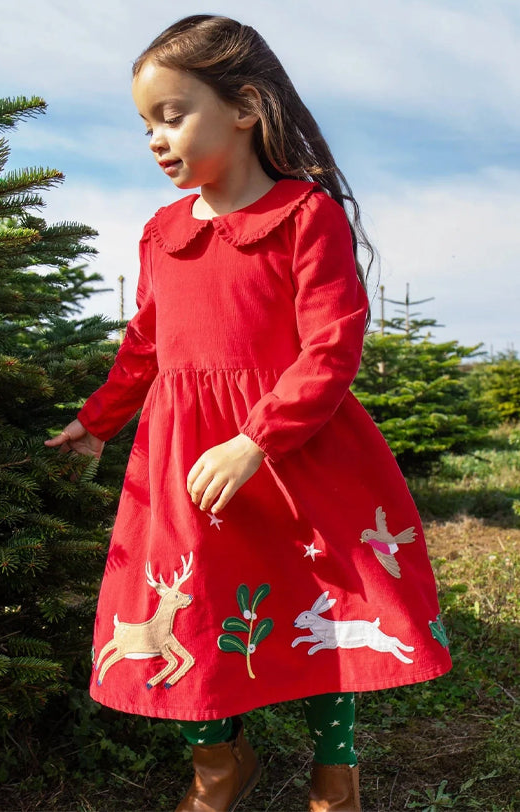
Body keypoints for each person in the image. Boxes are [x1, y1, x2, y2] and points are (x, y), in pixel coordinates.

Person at [46, 15, 452, 812]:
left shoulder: (306, 215)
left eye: (172, 115)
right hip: (185, 456)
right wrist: (97, 421)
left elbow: (333, 347)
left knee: (322, 599)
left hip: (293, 450)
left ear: (244, 107)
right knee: (187, 605)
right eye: (145, 125)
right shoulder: (162, 234)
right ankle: (219, 765)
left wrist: (255, 438)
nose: (156, 140)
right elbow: (145, 346)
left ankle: (337, 769)